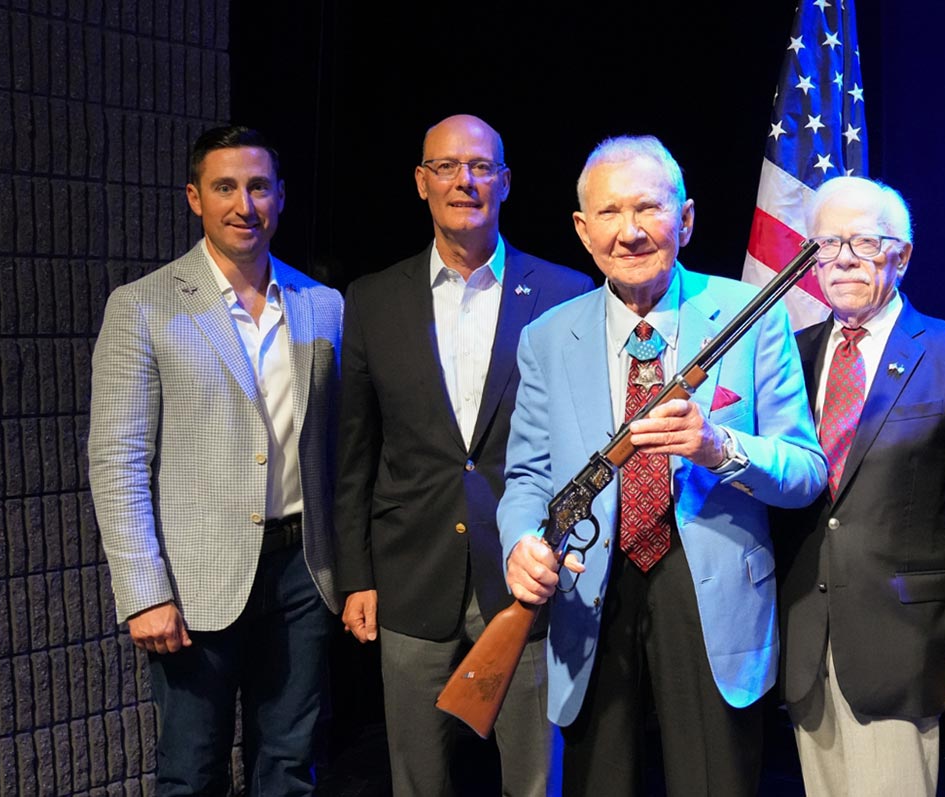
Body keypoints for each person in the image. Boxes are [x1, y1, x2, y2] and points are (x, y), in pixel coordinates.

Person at [499, 135, 826, 796]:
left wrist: (719, 448)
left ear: (688, 219)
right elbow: (528, 477)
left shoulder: (751, 316)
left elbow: (804, 469)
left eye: (649, 208)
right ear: (582, 230)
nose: (631, 230)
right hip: (588, 592)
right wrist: (520, 543)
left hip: (713, 598)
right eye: (611, 213)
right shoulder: (545, 337)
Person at [332, 114, 591, 797]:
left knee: (538, 780)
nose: (464, 181)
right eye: (446, 167)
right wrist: (356, 575)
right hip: (411, 577)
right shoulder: (372, 299)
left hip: (529, 579)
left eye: (480, 167)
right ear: (421, 183)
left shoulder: (568, 293)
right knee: (419, 782)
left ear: (505, 182)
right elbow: (355, 451)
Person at [89, 125, 343, 796]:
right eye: (225, 187)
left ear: (281, 198)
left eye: (258, 186)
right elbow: (117, 459)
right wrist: (144, 592)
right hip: (193, 578)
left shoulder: (325, 306)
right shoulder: (142, 306)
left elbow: (341, 449)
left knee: (290, 766)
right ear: (194, 198)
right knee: (191, 771)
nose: (244, 204)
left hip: (302, 573)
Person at [774, 176, 945, 796]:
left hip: (905, 648)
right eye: (827, 244)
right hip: (805, 637)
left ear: (901, 255)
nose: (844, 258)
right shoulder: (786, 359)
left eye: (865, 242)